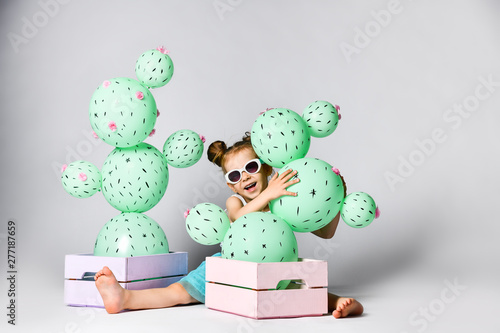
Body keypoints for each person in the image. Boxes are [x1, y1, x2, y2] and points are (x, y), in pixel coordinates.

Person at [94, 132, 363, 318]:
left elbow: (325, 233)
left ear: (267, 168)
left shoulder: (284, 204)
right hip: (230, 265)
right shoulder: (235, 202)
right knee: (180, 292)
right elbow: (241, 218)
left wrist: (335, 201)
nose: (245, 177)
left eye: (251, 167)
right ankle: (125, 298)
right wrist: (270, 195)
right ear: (231, 184)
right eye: (236, 175)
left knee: (306, 287)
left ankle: (338, 303)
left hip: (276, 268)